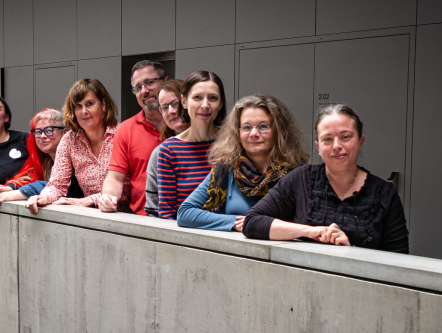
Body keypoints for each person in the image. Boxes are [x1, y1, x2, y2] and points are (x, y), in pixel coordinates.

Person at [243, 104, 409, 253]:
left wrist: (352, 251)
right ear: (318, 147)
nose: (336, 146)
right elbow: (252, 222)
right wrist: (312, 231)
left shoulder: (385, 195)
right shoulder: (300, 179)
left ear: (360, 142)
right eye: (327, 139)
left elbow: (399, 259)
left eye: (345, 137)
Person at [177, 94, 308, 231]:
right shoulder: (226, 169)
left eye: (263, 126)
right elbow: (185, 213)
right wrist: (237, 222)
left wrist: (258, 224)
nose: (254, 133)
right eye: (246, 127)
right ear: (237, 134)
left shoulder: (297, 172)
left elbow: (307, 222)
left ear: (278, 131)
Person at [25, 79, 129, 214]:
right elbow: (57, 184)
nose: (84, 111)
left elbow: (129, 188)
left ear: (103, 105)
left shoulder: (122, 133)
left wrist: (90, 200)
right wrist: (43, 197)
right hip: (92, 216)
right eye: (78, 106)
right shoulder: (69, 140)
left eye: (89, 104)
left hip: (129, 217)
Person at [99, 60, 170, 215]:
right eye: (138, 87)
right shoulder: (126, 129)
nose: (144, 91)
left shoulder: (185, 123)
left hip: (185, 219)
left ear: (166, 81)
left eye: (149, 82)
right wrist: (107, 198)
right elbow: (115, 178)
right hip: (142, 220)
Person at [157, 71, 227, 220]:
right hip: (187, 238)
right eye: (197, 97)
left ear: (221, 104)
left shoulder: (232, 143)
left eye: (213, 98)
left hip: (231, 233)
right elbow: (167, 214)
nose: (205, 105)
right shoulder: (169, 150)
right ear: (184, 102)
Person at [0, 109, 83, 209]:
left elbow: (60, 186)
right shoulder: (46, 161)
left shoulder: (78, 158)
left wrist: (14, 195)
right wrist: (9, 188)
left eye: (49, 130)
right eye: (38, 132)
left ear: (65, 132)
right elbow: (29, 178)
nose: (43, 136)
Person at [144, 79, 190, 217]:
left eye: (175, 104)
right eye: (164, 107)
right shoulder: (161, 153)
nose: (170, 111)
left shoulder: (221, 144)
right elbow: (154, 210)